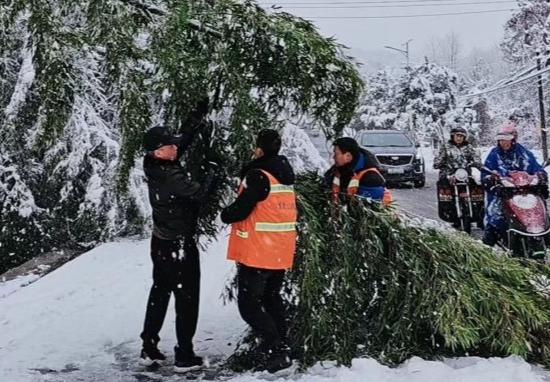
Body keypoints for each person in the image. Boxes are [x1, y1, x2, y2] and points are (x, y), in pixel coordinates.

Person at [139, 101, 217, 373]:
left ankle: (148, 347)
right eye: (170, 146)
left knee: (160, 292)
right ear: (159, 151)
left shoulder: (154, 161)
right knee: (187, 298)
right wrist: (213, 171)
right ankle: (184, 355)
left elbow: (180, 144)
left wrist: (194, 119)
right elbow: (200, 194)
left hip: (161, 242)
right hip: (178, 245)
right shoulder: (170, 175)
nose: (176, 148)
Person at [221, 129, 297, 373]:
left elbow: (241, 209)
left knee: (250, 304)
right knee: (272, 299)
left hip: (259, 250)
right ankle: (283, 347)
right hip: (280, 250)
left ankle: (276, 350)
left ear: (260, 149)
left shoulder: (258, 176)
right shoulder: (283, 175)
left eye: (255, 146)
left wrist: (226, 213)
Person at [481, 126, 547, 246]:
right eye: (500, 139)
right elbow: (486, 173)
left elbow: (536, 169)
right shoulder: (494, 155)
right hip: (504, 193)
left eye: (506, 139)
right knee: (495, 212)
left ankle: (544, 235)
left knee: (541, 209)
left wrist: (541, 178)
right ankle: (491, 239)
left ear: (513, 139)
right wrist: (494, 184)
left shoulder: (524, 154)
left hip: (526, 192)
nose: (503, 142)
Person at [433, 127, 483, 223]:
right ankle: (449, 213)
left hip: (465, 175)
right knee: (444, 189)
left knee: (477, 189)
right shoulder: (446, 147)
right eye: (457, 136)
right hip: (449, 174)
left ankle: (479, 216)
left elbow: (476, 157)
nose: (459, 138)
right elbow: (438, 159)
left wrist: (477, 163)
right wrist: (439, 163)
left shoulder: (468, 147)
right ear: (453, 136)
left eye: (461, 136)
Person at [324, 137, 391, 204]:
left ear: (348, 156)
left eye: (336, 153)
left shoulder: (370, 177)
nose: (333, 157)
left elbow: (366, 207)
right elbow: (326, 186)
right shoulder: (338, 168)